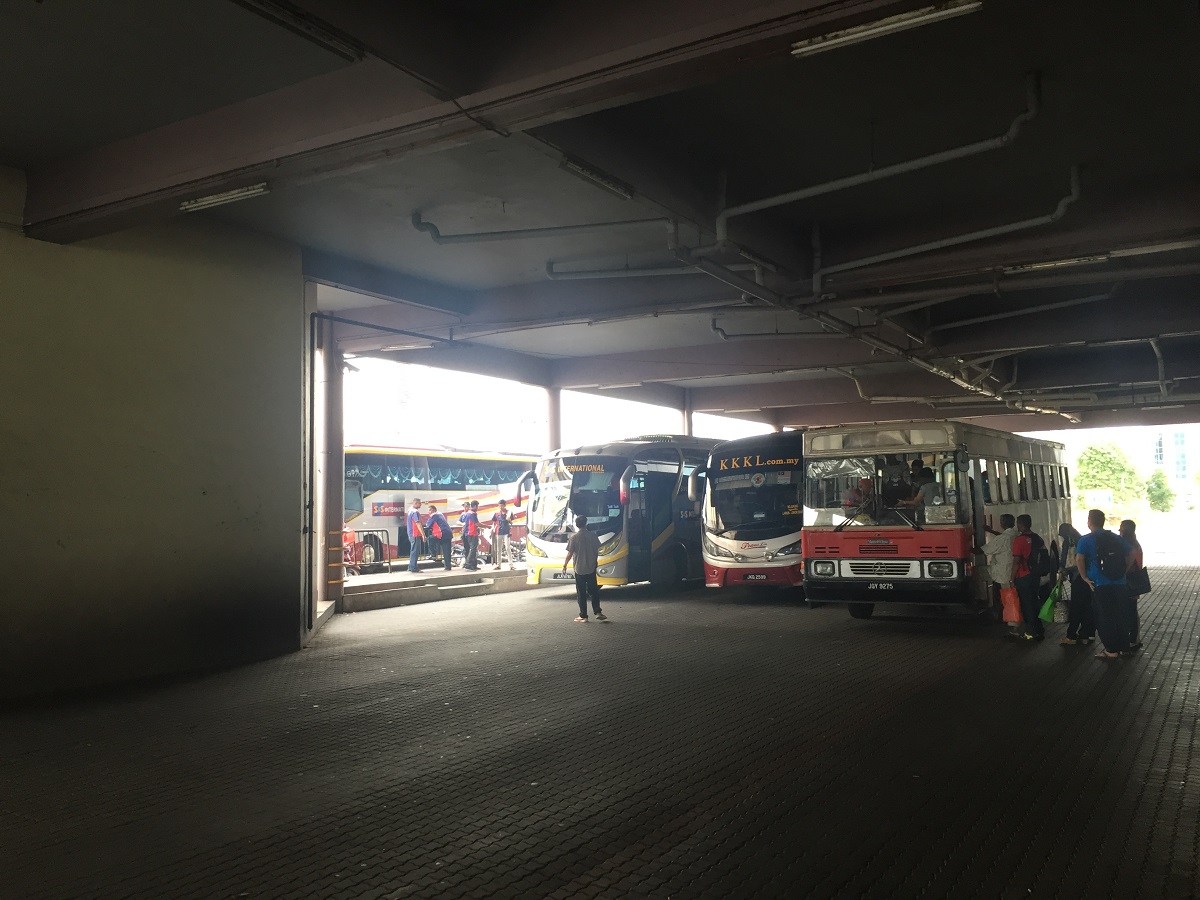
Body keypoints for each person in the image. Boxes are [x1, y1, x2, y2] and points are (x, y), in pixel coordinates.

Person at [1076, 508, 1135, 659]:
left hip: (1099, 583)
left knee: (1104, 616)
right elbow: (1132, 553)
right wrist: (1124, 571)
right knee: (1120, 615)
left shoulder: (1086, 539)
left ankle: (1111, 650)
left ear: (1089, 522)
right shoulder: (1116, 537)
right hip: (1119, 583)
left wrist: (1084, 577)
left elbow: (1079, 559)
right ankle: (1124, 647)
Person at [1009, 514, 1047, 641]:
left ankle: (1030, 632)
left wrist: (1012, 578)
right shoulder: (1037, 538)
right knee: (1034, 603)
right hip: (1035, 575)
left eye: (1018, 524)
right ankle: (1039, 629)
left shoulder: (1019, 540)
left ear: (1021, 524)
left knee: (1026, 605)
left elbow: (1016, 561)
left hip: (1023, 576)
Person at [1057, 522, 1094, 646]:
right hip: (1088, 578)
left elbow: (1065, 560)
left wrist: (1062, 570)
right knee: (1087, 607)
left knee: (1076, 608)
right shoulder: (1082, 539)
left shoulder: (1069, 541)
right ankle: (1085, 635)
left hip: (1078, 577)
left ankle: (1071, 636)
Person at [563, 515, 604, 622]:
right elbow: (597, 552)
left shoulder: (574, 538)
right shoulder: (593, 536)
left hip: (579, 569)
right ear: (586, 524)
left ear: (576, 525)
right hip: (591, 567)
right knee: (593, 591)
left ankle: (583, 616)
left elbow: (570, 553)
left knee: (581, 593)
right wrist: (594, 562)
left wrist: (565, 565)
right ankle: (598, 611)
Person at [983, 513, 1019, 635]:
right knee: (1013, 597)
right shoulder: (1014, 534)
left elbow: (984, 550)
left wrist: (967, 548)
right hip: (1014, 572)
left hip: (1005, 573)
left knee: (1009, 599)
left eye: (1001, 521)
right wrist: (991, 531)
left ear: (1003, 523)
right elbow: (1003, 538)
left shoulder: (1003, 538)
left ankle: (1013, 625)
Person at [1120, 519, 1145, 649]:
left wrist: (1122, 573)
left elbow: (1129, 563)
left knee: (1129, 611)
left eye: (1121, 528)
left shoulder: (1129, 545)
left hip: (1129, 582)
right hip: (1134, 581)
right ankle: (1134, 638)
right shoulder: (1136, 543)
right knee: (1132, 611)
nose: (1119, 531)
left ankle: (1132, 639)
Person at [490, 498, 515, 570]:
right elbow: (494, 523)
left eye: (502, 506)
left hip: (506, 532)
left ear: (505, 505)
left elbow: (511, 522)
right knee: (498, 549)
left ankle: (511, 565)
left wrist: (509, 520)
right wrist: (492, 530)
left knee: (507, 548)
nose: (500, 507)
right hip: (499, 532)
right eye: (499, 506)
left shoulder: (509, 512)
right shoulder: (496, 514)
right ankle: (499, 565)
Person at [426, 504, 453, 571]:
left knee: (430, 539)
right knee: (446, 551)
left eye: (430, 510)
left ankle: (433, 554)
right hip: (448, 533)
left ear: (434, 510)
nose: (428, 512)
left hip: (441, 534)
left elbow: (428, 525)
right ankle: (448, 567)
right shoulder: (441, 515)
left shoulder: (433, 516)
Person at [406, 498, 426, 574]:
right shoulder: (415, 512)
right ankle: (414, 568)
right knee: (415, 551)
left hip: (411, 533)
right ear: (416, 503)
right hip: (415, 533)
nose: (420, 505)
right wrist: (423, 535)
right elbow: (418, 523)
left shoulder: (409, 511)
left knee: (413, 550)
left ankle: (411, 567)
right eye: (420, 503)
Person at [461, 500, 482, 570]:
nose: (478, 508)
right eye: (477, 506)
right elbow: (477, 523)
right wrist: (487, 526)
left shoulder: (467, 513)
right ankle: (468, 563)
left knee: (471, 550)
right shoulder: (473, 514)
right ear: (475, 506)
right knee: (473, 549)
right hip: (472, 534)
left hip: (466, 534)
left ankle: (473, 565)